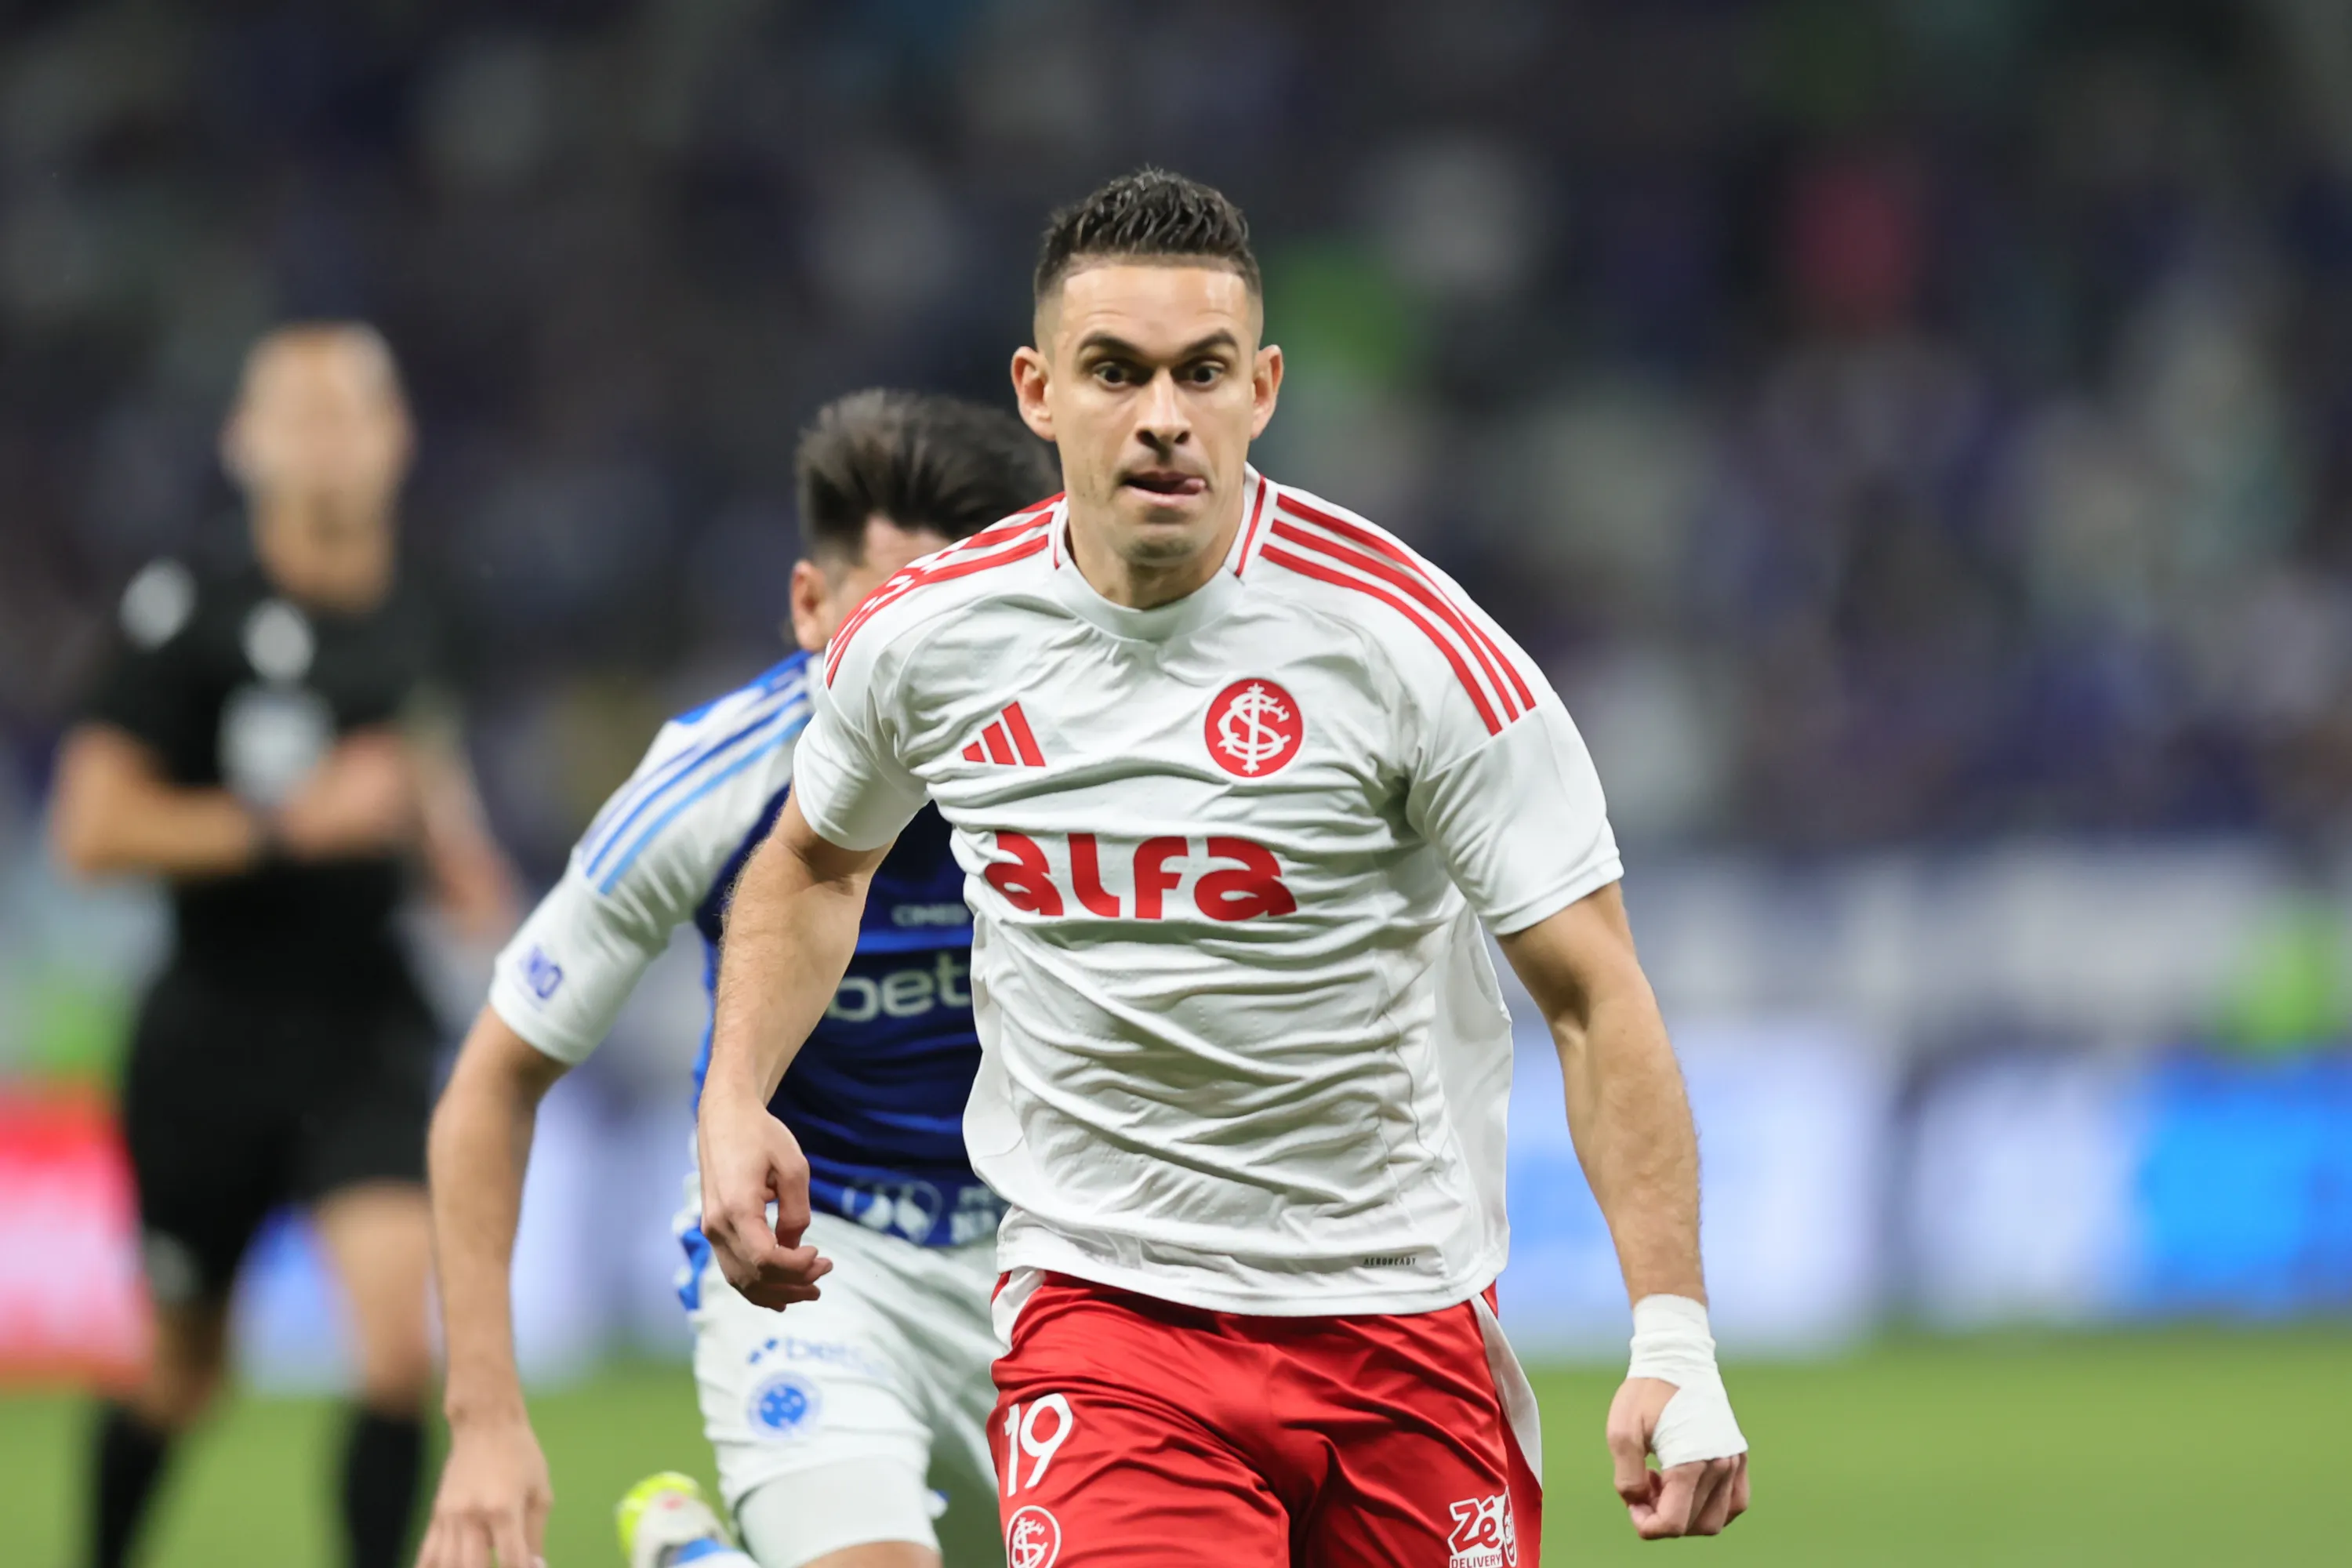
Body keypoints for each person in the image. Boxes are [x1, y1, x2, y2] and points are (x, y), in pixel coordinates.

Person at [694, 169, 1754, 1566]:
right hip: (1106, 1313)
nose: (1161, 418)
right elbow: (814, 867)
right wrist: (734, 1095)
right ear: (1036, 390)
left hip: (1400, 1318)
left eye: (1200, 374)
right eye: (1114, 372)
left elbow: (1591, 991)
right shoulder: (929, 637)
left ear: (1260, 388)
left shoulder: (1410, 646)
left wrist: (1672, 1331)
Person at [415, 389, 1058, 1568]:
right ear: (813, 608)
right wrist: (487, 1422)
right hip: (823, 1270)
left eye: (971, 624)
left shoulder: (1083, 778)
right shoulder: (712, 784)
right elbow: (493, 1083)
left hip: (1060, 1269)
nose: (931, 667)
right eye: (897, 618)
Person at [50, 323, 515, 1568]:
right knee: (185, 1373)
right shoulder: (184, 615)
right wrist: (283, 825)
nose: (327, 440)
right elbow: (87, 828)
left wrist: (460, 860)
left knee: (395, 1349)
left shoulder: (427, 607)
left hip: (361, 1026)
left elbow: (417, 757)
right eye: (296, 415)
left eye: (350, 411)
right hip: (208, 1039)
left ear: (397, 437)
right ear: (241, 444)